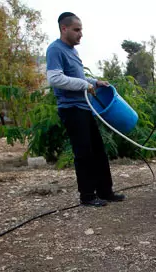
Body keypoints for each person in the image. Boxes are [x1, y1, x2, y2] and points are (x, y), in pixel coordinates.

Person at [46, 12, 125, 207]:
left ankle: (105, 192)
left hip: (84, 107)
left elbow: (78, 77)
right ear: (64, 28)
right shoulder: (55, 50)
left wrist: (95, 82)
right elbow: (55, 79)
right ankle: (87, 196)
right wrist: (84, 85)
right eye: (76, 30)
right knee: (84, 153)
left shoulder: (72, 51)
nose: (81, 34)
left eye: (81, 30)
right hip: (71, 108)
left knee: (98, 150)